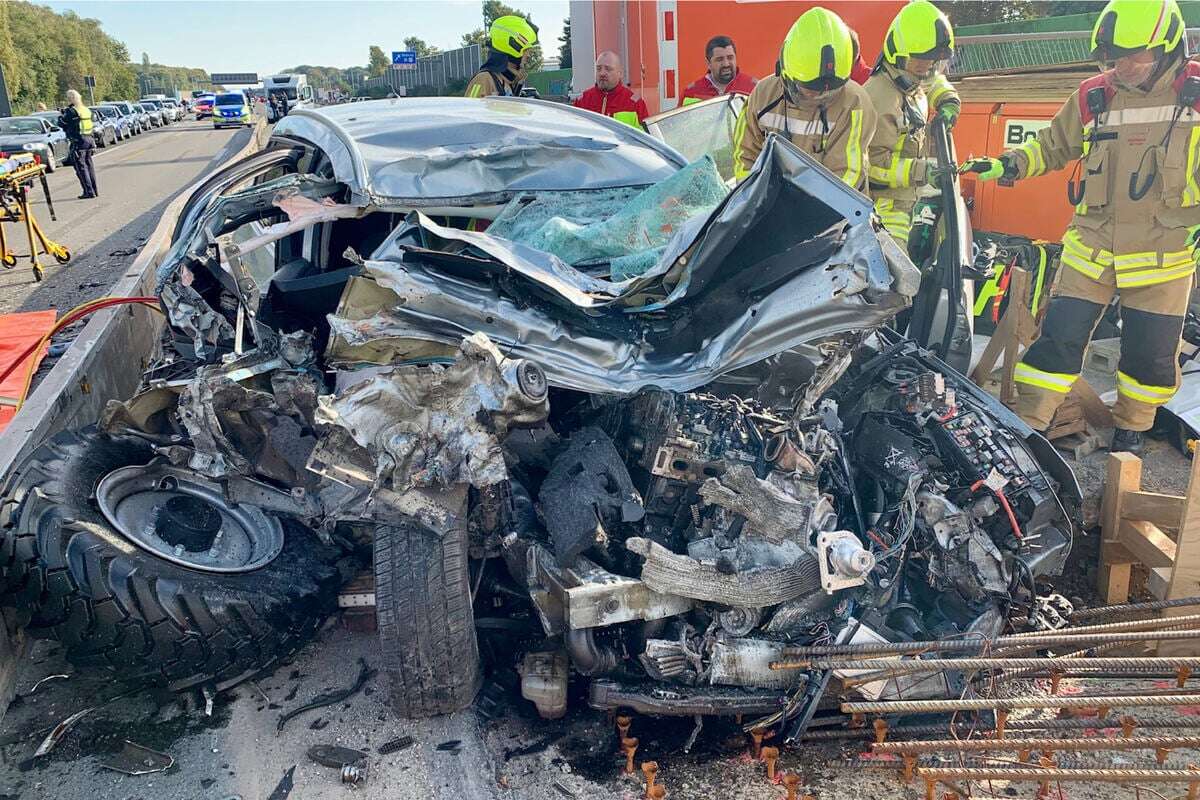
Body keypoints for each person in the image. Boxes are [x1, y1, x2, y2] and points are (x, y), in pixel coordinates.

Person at [963, 0, 1199, 453]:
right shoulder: (1094, 95)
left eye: (1134, 55)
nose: (1122, 67)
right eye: (1113, 57)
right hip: (1091, 248)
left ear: (1169, 49)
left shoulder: (1198, 91)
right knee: (1057, 342)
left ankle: (1131, 430)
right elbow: (1051, 146)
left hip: (1164, 255)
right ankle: (1028, 428)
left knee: (1148, 359)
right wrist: (1005, 164)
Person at [732, 6, 876, 190]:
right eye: (809, 88)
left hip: (830, 214)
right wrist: (751, 199)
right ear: (786, 72)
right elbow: (745, 155)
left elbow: (844, 179)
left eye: (829, 90)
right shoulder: (763, 95)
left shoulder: (854, 103)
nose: (819, 95)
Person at [863, 0, 960, 251]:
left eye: (931, 60)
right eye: (920, 59)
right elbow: (871, 166)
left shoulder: (910, 78)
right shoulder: (880, 97)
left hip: (907, 202)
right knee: (896, 283)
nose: (926, 66)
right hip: (882, 208)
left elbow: (934, 82)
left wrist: (948, 100)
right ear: (897, 50)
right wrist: (922, 171)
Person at [465, 14, 538, 98]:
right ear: (512, 47)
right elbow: (471, 109)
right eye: (525, 50)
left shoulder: (509, 81)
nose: (528, 55)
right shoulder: (483, 79)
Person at [574, 51, 649, 127]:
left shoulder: (635, 104)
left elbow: (646, 137)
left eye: (608, 69)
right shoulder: (582, 102)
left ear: (620, 73)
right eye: (598, 69)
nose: (602, 73)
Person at [680, 35, 757, 106]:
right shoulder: (691, 93)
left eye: (730, 57)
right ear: (708, 63)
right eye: (719, 59)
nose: (726, 64)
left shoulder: (754, 87)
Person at [60, 89, 97, 200]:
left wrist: (61, 116)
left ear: (71, 99)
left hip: (78, 141)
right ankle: (94, 190)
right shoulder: (86, 110)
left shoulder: (71, 111)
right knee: (89, 165)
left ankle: (88, 191)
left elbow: (63, 123)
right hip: (89, 139)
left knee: (81, 167)